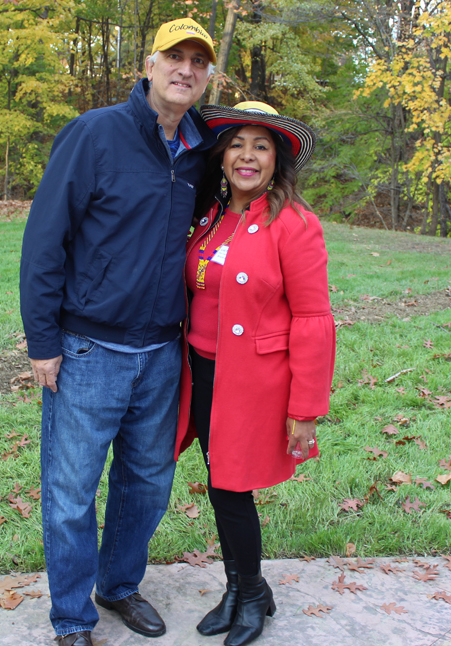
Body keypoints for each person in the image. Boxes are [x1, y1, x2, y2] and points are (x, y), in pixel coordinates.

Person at [19, 19, 217, 646]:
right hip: (88, 348)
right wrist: (43, 344)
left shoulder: (198, 151)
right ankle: (74, 618)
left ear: (208, 75)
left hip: (161, 349)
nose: (185, 69)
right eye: (173, 57)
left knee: (147, 482)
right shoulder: (94, 134)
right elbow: (45, 242)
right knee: (71, 491)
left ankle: (119, 585)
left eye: (198, 61)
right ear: (149, 63)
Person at [175, 102, 336, 646]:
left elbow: (314, 320)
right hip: (200, 375)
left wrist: (305, 410)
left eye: (261, 146)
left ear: (277, 161)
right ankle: (241, 587)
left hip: (253, 383)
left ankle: (251, 593)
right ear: (222, 155)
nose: (247, 155)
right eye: (238, 144)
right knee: (221, 488)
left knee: (232, 488)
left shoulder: (294, 224)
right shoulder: (210, 214)